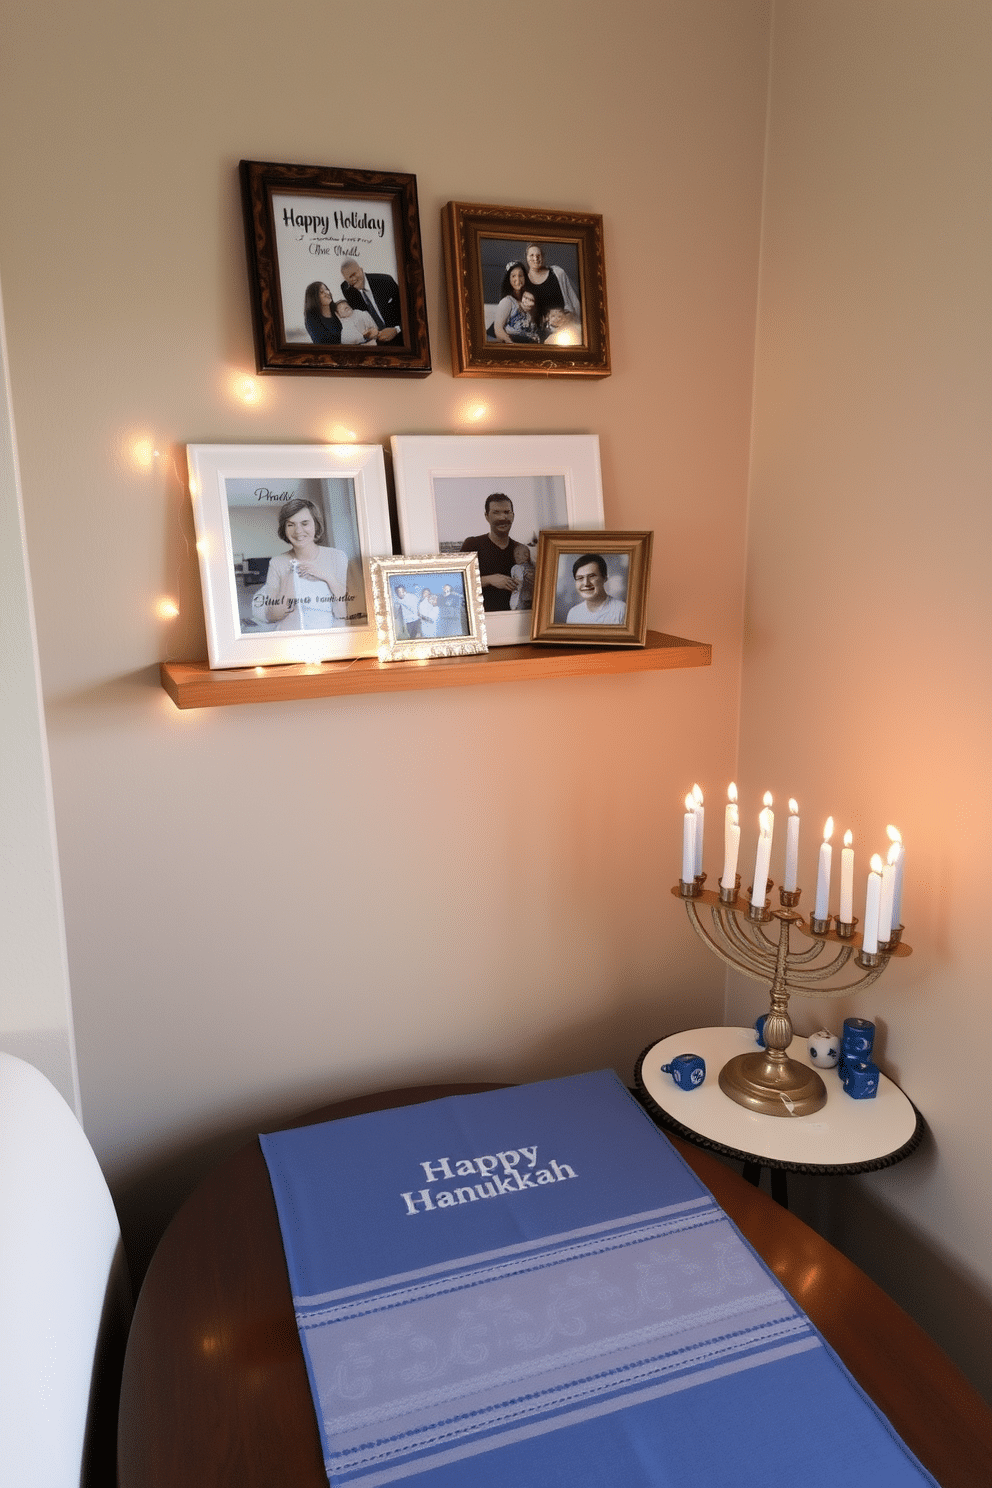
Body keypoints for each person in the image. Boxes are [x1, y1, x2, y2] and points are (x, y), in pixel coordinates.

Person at [251, 498, 349, 630]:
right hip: (288, 639)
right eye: (291, 524)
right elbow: (272, 616)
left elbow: (342, 614)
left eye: (305, 523)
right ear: (284, 528)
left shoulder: (337, 557)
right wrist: (290, 578)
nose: (298, 531)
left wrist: (327, 576)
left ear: (316, 525)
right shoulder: (277, 563)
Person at [460, 494, 524, 611]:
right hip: (481, 619)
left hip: (516, 619)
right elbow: (458, 581)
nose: (502, 517)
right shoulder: (472, 544)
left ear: (513, 516)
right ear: (487, 516)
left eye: (506, 512)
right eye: (496, 512)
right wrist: (489, 580)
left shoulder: (521, 550)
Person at [339, 259, 402, 344]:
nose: (353, 279)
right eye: (349, 278)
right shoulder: (347, 289)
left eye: (354, 274)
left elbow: (409, 308)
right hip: (376, 342)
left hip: (400, 336)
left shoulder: (385, 281)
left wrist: (397, 329)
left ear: (361, 269)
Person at [523, 243, 581, 326]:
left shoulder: (558, 273)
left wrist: (572, 320)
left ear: (542, 256)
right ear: (526, 257)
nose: (535, 258)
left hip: (564, 328)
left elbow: (574, 303)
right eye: (531, 255)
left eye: (538, 255)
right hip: (538, 330)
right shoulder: (523, 281)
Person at [565, 553, 626, 624]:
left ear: (605, 578)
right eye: (580, 578)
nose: (586, 583)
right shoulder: (573, 613)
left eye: (592, 576)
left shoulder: (622, 610)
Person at [490, 263, 541, 343]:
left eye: (521, 275)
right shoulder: (507, 301)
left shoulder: (530, 301)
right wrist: (512, 345)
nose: (517, 279)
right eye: (513, 276)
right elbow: (498, 329)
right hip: (514, 345)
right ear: (509, 279)